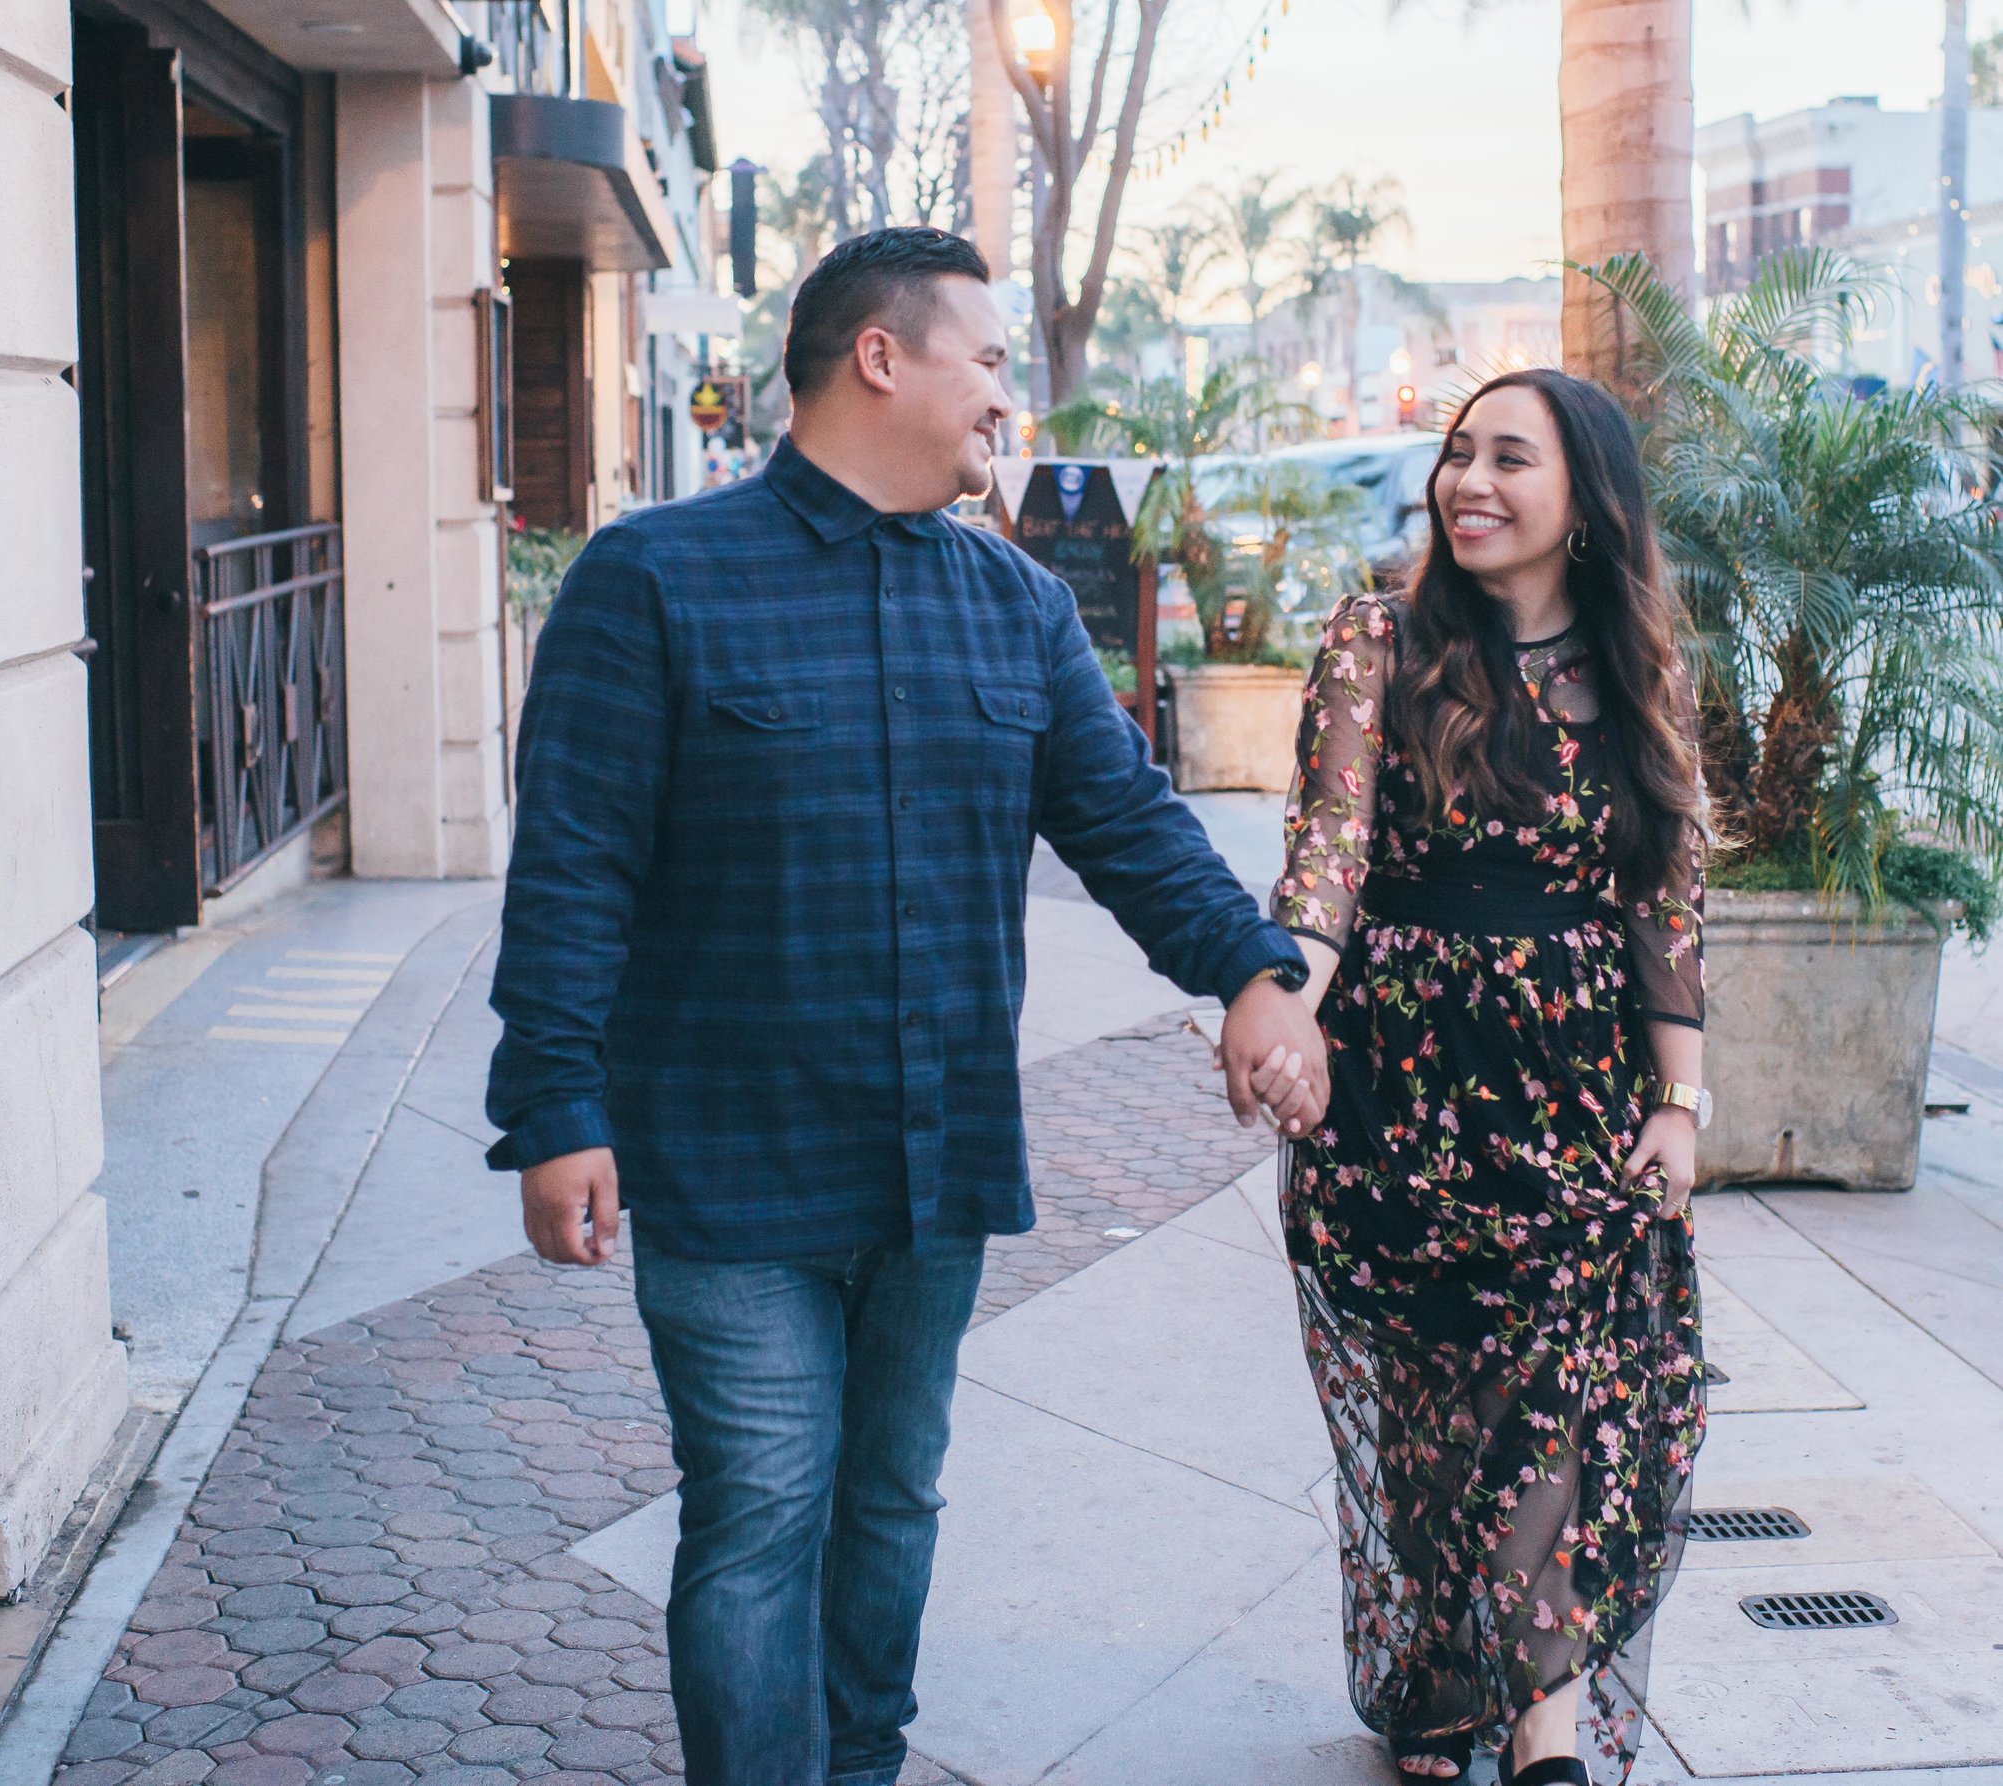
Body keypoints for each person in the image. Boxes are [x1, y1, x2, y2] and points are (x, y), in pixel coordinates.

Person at [485, 226, 1329, 1786]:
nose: (1008, 400)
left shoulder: (1011, 604)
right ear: (883, 356)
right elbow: (573, 875)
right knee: (758, 1506)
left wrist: (1254, 972)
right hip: (726, 1165)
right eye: (990, 361)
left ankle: (857, 1763)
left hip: (935, 1166)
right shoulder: (652, 580)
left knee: (892, 1501)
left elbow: (1131, 823)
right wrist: (553, 1109)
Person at [1272, 369, 1710, 1786]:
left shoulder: (1638, 667)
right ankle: (1447, 1666)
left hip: (1575, 1085)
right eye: (1459, 453)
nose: (1469, 481)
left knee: (1566, 1387)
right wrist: (1283, 1006)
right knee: (1429, 1401)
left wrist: (1680, 1099)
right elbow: (1328, 859)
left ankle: (1546, 1725)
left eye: (1509, 458)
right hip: (1399, 1074)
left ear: (1585, 499)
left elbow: (1666, 902)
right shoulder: (1379, 639)